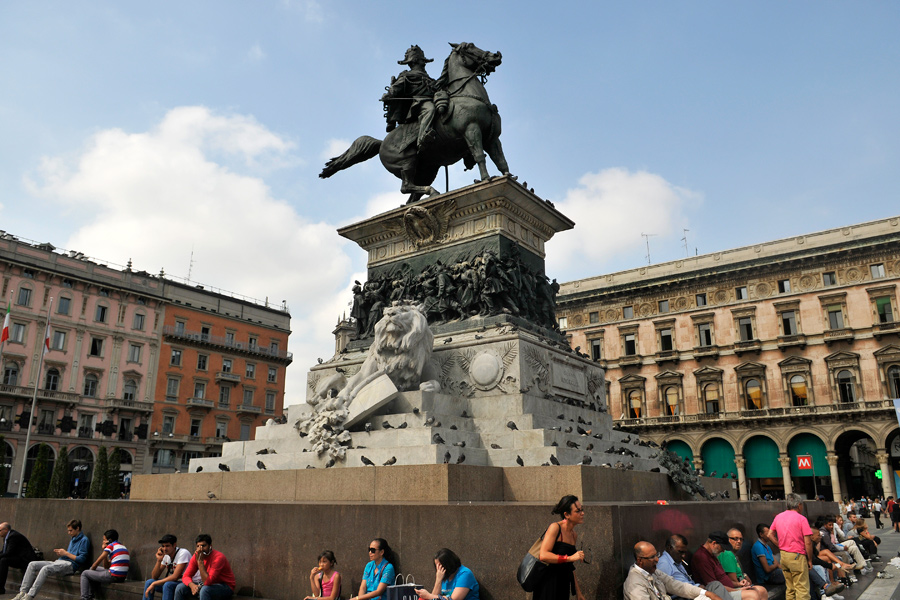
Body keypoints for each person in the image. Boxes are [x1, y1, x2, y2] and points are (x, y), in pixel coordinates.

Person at [13, 519, 91, 600]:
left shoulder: (84, 540)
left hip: (70, 565)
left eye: (71, 531)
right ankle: (22, 592)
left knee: (45, 569)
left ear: (77, 528)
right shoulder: (73, 538)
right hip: (60, 561)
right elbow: (70, 554)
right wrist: (62, 554)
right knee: (32, 564)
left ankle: (30, 596)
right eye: (68, 531)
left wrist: (66, 553)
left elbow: (82, 559)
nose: (69, 533)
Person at [623, 541, 723, 600]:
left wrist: (706, 593)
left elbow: (676, 585)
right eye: (652, 557)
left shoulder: (653, 571)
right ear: (640, 561)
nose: (657, 559)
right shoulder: (634, 583)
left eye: (656, 555)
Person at [381, 45, 437, 148]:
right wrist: (389, 94)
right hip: (419, 103)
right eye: (422, 60)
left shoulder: (429, 78)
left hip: (433, 100)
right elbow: (396, 88)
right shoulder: (406, 76)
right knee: (430, 109)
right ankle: (423, 138)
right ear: (415, 60)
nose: (424, 62)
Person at [533, 495, 586, 600]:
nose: (582, 513)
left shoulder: (573, 535)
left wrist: (578, 593)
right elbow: (543, 555)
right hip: (548, 584)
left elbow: (570, 567)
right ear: (566, 514)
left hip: (563, 584)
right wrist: (570, 558)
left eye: (582, 510)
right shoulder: (555, 527)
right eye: (578, 511)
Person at [691, 531, 766, 600]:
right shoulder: (702, 557)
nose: (723, 550)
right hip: (720, 593)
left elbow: (723, 578)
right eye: (722, 547)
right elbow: (713, 587)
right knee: (753, 595)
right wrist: (738, 589)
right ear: (714, 543)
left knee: (762, 590)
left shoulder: (712, 555)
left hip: (730, 589)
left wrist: (739, 585)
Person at [657, 535, 733, 600]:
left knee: (715, 585)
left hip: (693, 590)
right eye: (680, 552)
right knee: (714, 587)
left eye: (684, 552)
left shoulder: (677, 561)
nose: (683, 556)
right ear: (670, 548)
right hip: (683, 596)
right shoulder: (663, 563)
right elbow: (668, 588)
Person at [767, 493, 814, 600]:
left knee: (790, 588)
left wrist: (780, 545)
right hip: (797, 556)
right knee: (802, 589)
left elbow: (769, 534)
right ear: (799, 505)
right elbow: (808, 542)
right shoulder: (801, 519)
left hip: (784, 556)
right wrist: (810, 559)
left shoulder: (778, 517)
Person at [174, 534, 235, 600]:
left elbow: (207, 582)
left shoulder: (218, 558)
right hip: (206, 585)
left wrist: (200, 562)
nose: (201, 549)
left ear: (210, 546)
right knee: (180, 588)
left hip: (225, 586)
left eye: (203, 546)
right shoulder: (196, 556)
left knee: (205, 590)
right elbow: (186, 576)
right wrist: (192, 585)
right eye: (198, 546)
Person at [81, 529, 130, 600]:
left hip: (113, 576)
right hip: (121, 577)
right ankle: (91, 596)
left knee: (85, 573)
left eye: (104, 540)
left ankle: (85, 598)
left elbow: (96, 564)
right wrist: (105, 550)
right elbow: (106, 566)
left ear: (109, 540)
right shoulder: (122, 546)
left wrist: (91, 571)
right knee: (93, 570)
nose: (103, 542)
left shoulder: (111, 546)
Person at [144, 534, 192, 600]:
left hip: (187, 583)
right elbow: (154, 576)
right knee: (149, 582)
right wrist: (159, 560)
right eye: (163, 546)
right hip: (174, 583)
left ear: (174, 545)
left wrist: (154, 583)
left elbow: (175, 577)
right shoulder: (166, 555)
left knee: (168, 585)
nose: (165, 549)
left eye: (167, 546)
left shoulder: (183, 553)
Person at [0, 522, 37, 593]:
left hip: (25, 560)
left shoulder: (13, 536)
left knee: (3, 560)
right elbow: (4, 551)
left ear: (6, 530)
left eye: (0, 530)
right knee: (2, 559)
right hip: (17, 557)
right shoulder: (6, 537)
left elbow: (9, 552)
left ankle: (0, 588)